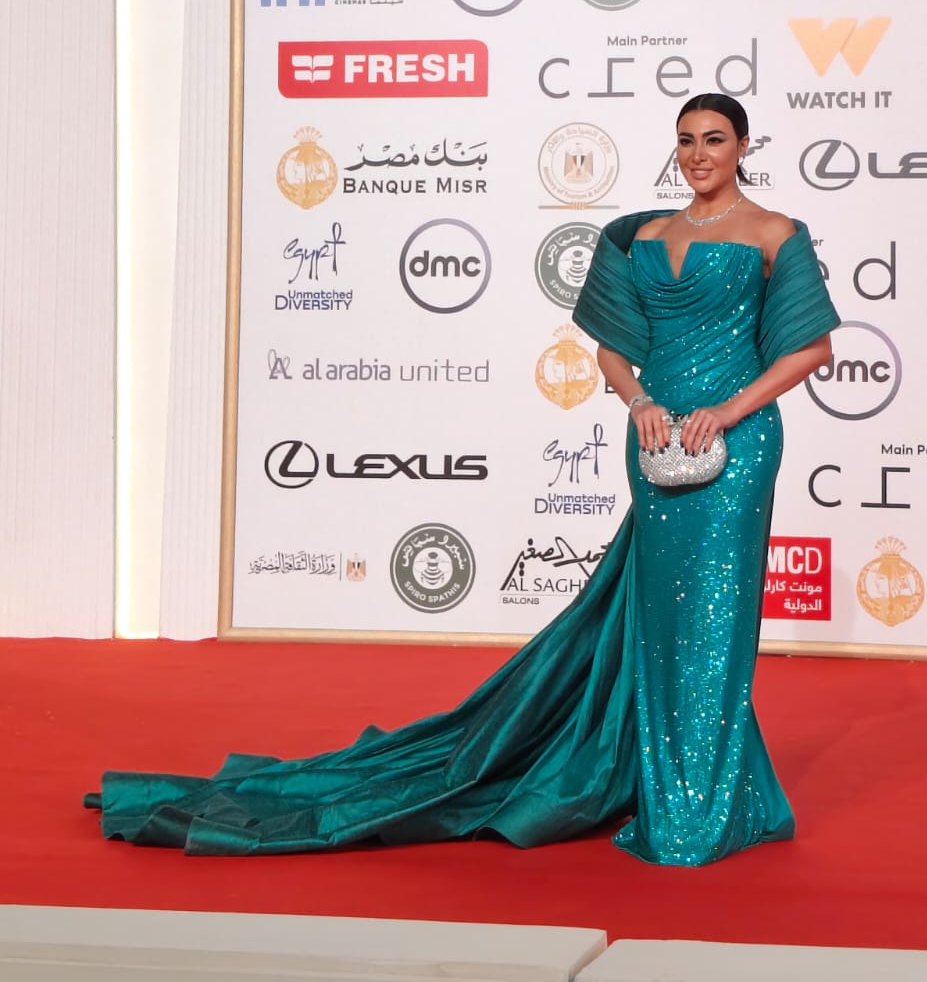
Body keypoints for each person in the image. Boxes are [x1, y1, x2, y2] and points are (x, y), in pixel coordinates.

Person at [84, 93, 838, 865]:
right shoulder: (644, 236)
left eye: (715, 139)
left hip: (736, 445)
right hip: (653, 442)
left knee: (713, 619)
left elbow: (813, 350)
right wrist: (640, 402)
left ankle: (703, 802)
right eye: (686, 140)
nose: (699, 154)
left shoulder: (775, 233)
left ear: (743, 146)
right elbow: (610, 348)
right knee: (658, 615)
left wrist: (727, 409)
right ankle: (676, 776)